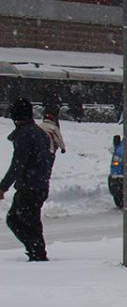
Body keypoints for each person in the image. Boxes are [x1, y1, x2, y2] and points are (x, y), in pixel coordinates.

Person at [1, 98, 54, 261]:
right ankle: (36, 250)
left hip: (29, 186)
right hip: (40, 185)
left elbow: (18, 164)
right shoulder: (40, 133)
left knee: (16, 219)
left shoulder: (24, 135)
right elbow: (48, 158)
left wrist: (3, 187)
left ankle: (37, 253)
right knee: (31, 221)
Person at [37, 96, 67, 166]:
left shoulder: (39, 126)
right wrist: (62, 148)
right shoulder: (54, 127)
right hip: (50, 149)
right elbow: (58, 138)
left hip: (39, 148)